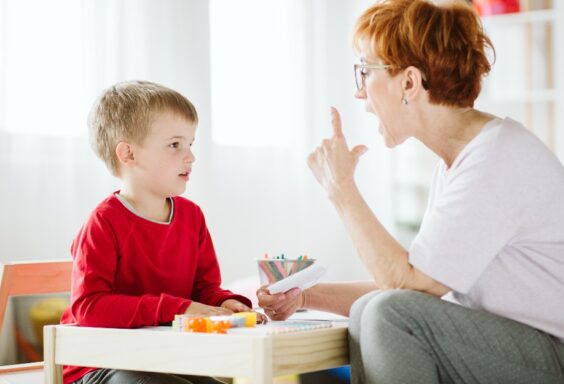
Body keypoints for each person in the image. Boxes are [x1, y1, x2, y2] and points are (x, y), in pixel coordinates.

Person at [257, 0, 564, 383]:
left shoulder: (496, 159)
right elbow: (417, 287)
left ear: (409, 83)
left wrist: (342, 189)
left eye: (365, 72)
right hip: (518, 348)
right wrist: (305, 297)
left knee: (388, 312)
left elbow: (407, 286)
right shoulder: (463, 162)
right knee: (373, 307)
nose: (359, 94)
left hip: (554, 355)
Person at [61, 81, 264, 384]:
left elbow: (203, 289)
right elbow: (89, 308)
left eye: (190, 144)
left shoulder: (191, 217)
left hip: (162, 358)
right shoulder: (103, 223)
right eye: (175, 145)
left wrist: (223, 303)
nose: (190, 157)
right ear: (128, 154)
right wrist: (177, 308)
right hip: (97, 365)